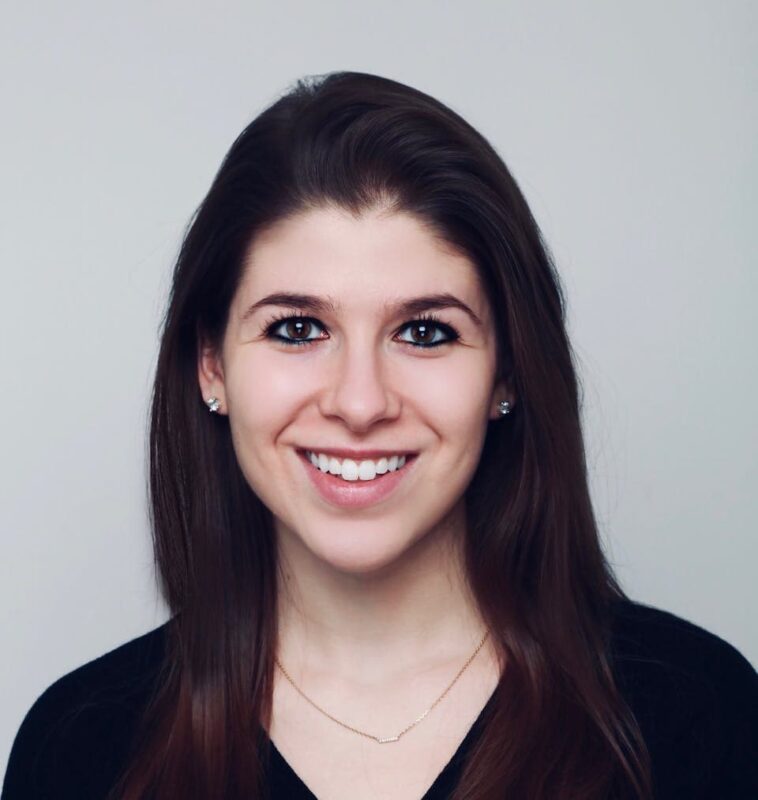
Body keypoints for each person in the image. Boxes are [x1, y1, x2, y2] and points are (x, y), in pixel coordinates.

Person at [2, 71, 756, 800]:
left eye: (425, 332)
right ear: (211, 366)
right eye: (297, 329)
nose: (360, 403)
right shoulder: (79, 749)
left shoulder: (701, 717)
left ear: (505, 375)